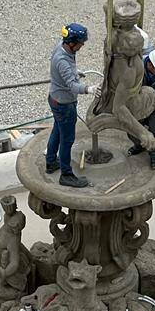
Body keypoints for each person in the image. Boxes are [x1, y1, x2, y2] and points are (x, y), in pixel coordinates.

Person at [46, 23, 100, 190]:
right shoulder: (62, 60)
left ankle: (50, 162)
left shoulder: (62, 48)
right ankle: (66, 175)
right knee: (67, 139)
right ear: (71, 42)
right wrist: (89, 89)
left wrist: (76, 73)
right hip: (64, 104)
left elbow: (67, 74)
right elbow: (72, 86)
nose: (82, 46)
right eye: (80, 43)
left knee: (57, 130)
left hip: (55, 98)